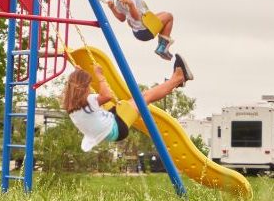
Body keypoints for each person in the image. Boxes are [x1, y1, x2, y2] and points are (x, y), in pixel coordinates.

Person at [62, 54, 193, 152]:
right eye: (88, 86)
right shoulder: (88, 101)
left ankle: (175, 82)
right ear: (82, 88)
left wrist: (77, 73)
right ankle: (178, 78)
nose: (89, 88)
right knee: (145, 97)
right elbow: (108, 95)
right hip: (117, 127)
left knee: (138, 98)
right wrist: (99, 75)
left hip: (110, 125)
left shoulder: (71, 105)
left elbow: (77, 84)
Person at [104, 0, 175, 61]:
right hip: (145, 30)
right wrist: (131, 6)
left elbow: (122, 18)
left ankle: (162, 44)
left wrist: (112, 8)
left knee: (163, 13)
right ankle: (162, 47)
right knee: (169, 16)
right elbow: (137, 17)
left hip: (138, 32)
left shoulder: (119, 1)